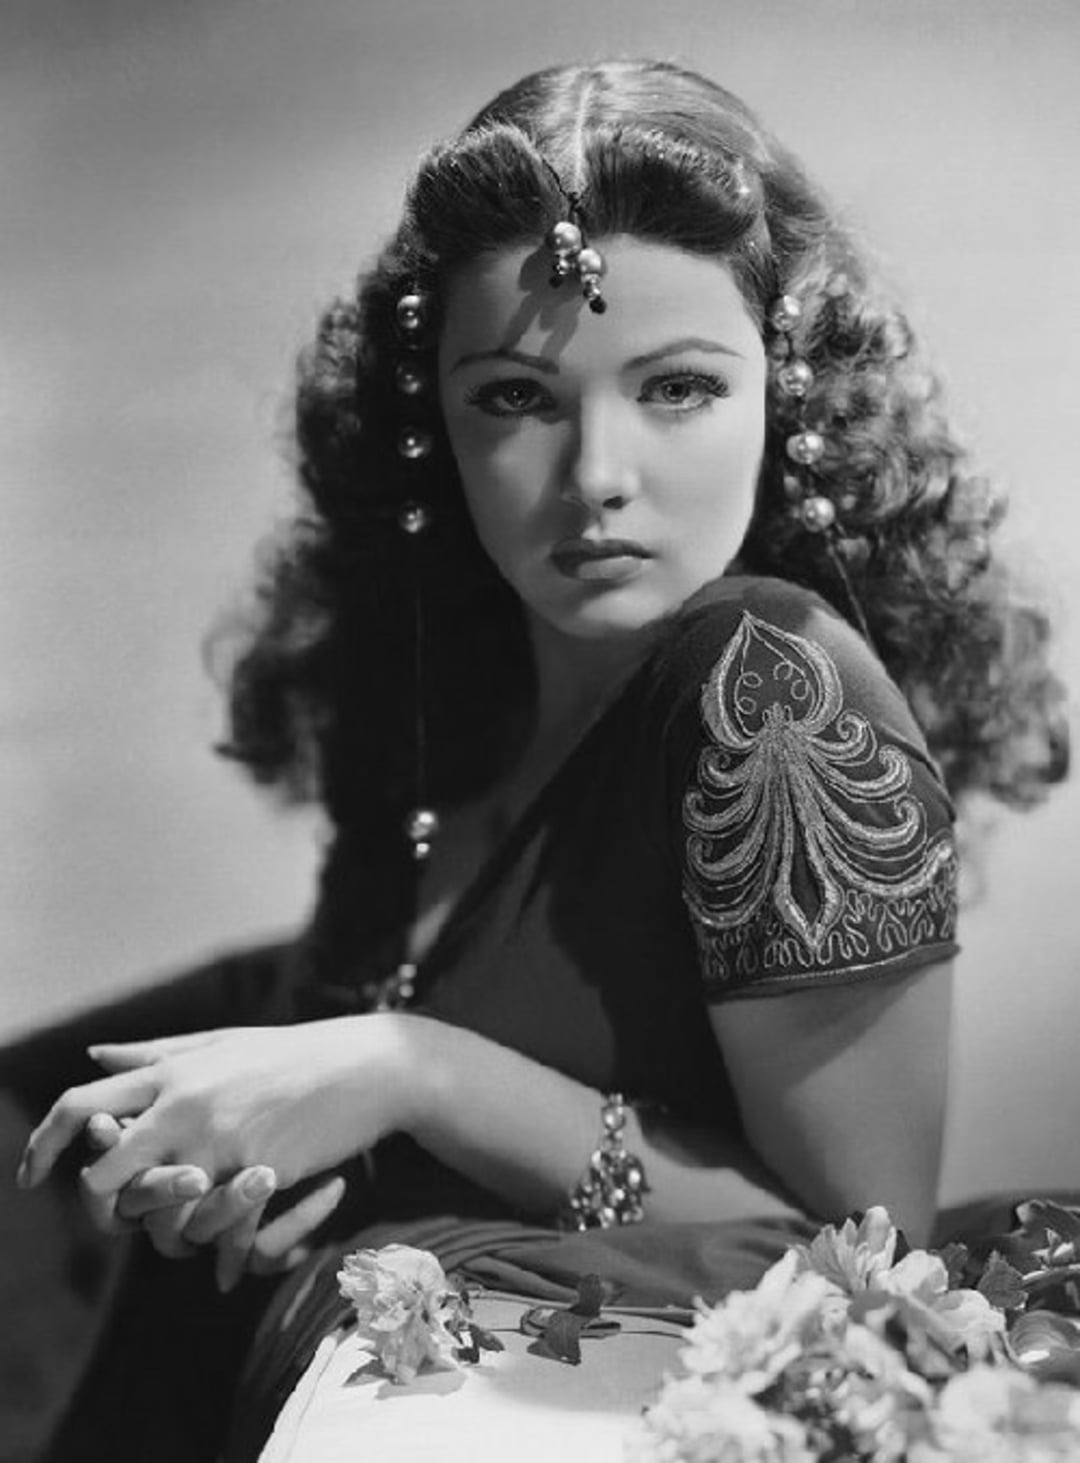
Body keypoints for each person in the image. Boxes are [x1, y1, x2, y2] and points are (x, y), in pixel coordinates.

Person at [16, 57, 1068, 1463]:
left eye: (679, 387)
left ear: (788, 391)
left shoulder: (777, 693)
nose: (596, 478)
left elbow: (854, 1257)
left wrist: (413, 1070)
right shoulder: (431, 670)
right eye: (515, 399)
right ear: (429, 418)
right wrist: (263, 1160)